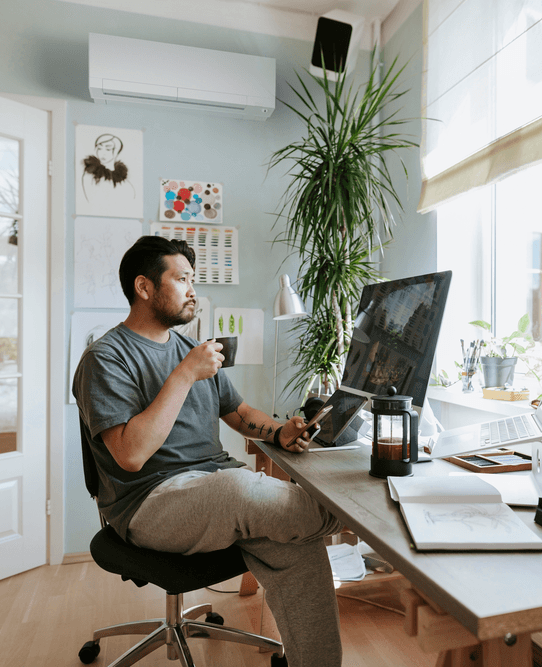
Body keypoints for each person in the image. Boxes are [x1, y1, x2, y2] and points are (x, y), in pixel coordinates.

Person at [73, 236, 343, 667]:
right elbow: (130, 455)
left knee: (299, 547)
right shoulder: (106, 358)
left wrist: (280, 432)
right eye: (182, 279)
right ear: (144, 288)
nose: (193, 290)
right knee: (243, 488)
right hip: (149, 503)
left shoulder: (191, 351)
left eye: (194, 280)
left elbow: (238, 413)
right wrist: (183, 375)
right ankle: (353, 515)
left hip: (215, 488)